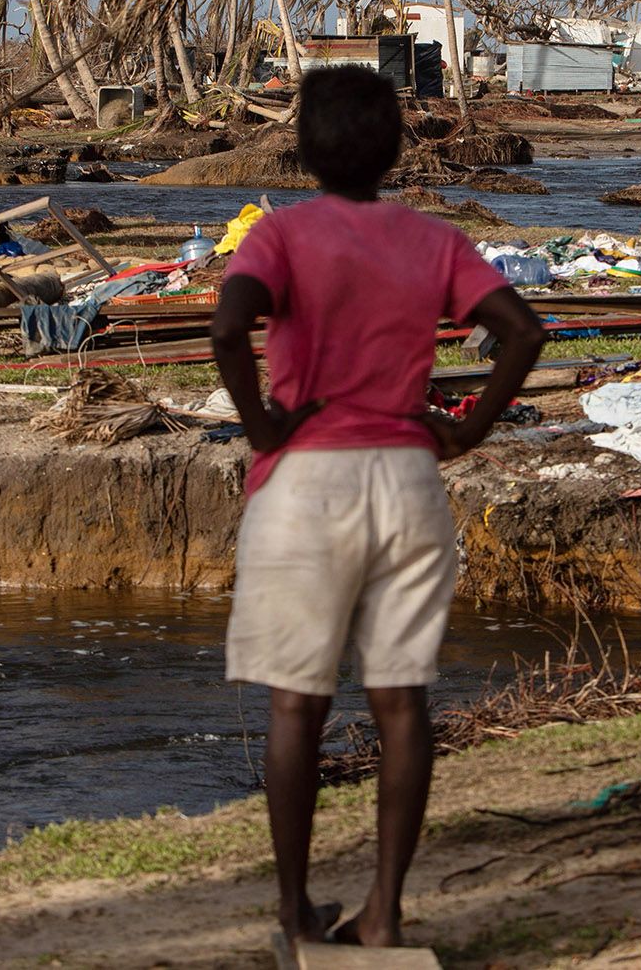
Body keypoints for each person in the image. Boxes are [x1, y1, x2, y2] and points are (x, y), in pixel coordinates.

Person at [209, 65, 545, 950]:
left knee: (296, 705)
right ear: (397, 147)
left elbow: (225, 328)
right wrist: (466, 431)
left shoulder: (279, 237)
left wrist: (264, 424)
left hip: (305, 483)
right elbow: (523, 331)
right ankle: (386, 914)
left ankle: (293, 912)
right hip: (405, 477)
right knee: (401, 703)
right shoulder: (432, 241)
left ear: (304, 147)